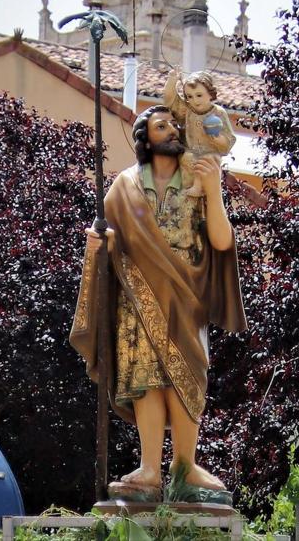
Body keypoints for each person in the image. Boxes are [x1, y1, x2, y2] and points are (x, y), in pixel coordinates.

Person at [70, 105, 247, 503]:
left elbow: (220, 241)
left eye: (174, 124)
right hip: (140, 294)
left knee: (190, 375)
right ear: (145, 139)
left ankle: (185, 465)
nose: (171, 130)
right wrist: (99, 245)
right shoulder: (125, 185)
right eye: (160, 125)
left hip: (188, 293)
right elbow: (112, 241)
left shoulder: (198, 180)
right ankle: (150, 467)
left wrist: (215, 191)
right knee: (146, 377)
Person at [162, 68, 236, 197]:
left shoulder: (218, 113)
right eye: (190, 96)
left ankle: (198, 188)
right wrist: (172, 80)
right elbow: (171, 101)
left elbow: (229, 138)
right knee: (183, 158)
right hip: (191, 153)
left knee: (205, 161)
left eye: (199, 95)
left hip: (211, 156)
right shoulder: (187, 110)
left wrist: (219, 140)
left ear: (210, 94)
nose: (195, 100)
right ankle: (179, 188)